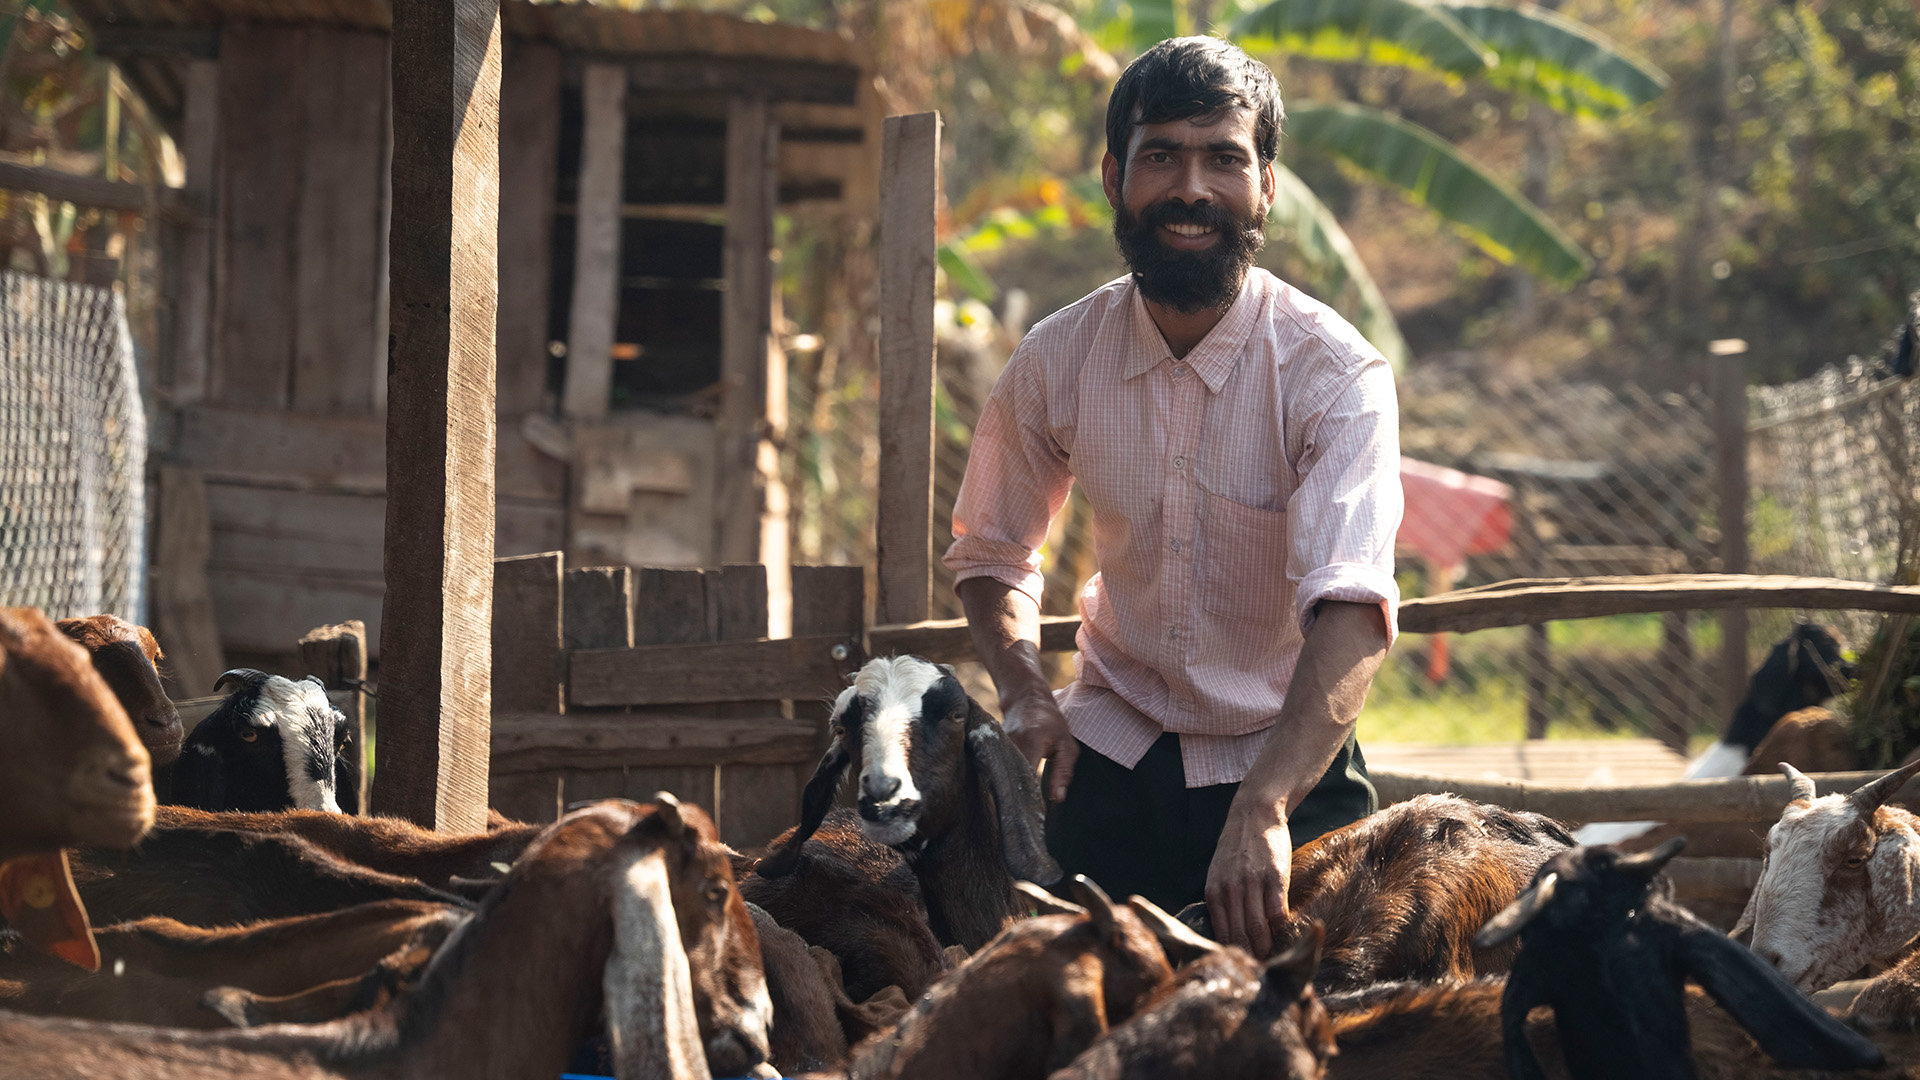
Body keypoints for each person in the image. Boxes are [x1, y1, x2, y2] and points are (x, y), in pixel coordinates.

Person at [944, 36, 1402, 959]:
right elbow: (993, 551)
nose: (1191, 190)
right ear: (1115, 179)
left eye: (1223, 160)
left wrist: (1265, 807)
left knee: (1326, 1016)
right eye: (1161, 156)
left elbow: (1353, 608)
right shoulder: (1057, 357)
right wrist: (1026, 693)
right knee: (1062, 1005)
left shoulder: (1334, 374)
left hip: (1287, 768)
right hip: (1105, 757)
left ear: (1265, 186)